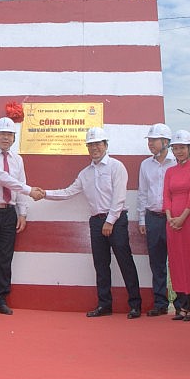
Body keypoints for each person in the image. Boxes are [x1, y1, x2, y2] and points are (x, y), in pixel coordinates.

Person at [44, 127, 142, 319]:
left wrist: (110, 221)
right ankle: (104, 304)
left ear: (106, 145)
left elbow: (119, 197)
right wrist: (44, 194)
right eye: (90, 144)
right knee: (100, 265)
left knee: (125, 262)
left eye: (98, 143)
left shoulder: (116, 167)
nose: (94, 147)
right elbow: (68, 192)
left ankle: (135, 305)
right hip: (96, 222)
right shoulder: (85, 173)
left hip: (116, 220)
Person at [0, 117, 42, 315]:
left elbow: (18, 186)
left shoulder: (17, 159)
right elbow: (4, 179)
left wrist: (22, 212)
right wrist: (30, 190)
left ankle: (0, 299)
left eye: (9, 134)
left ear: (14, 138)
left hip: (8, 213)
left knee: (5, 258)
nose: (6, 137)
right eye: (2, 134)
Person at [163, 130, 190, 321]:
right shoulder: (170, 171)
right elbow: (166, 196)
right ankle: (181, 303)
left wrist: (182, 217)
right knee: (177, 261)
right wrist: (169, 216)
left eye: (182, 147)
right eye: (176, 148)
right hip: (172, 222)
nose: (179, 151)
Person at [137, 123, 176, 317]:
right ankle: (160, 302)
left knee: (177, 261)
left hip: (174, 219)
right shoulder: (145, 165)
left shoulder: (176, 162)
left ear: (166, 142)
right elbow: (142, 193)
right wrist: (142, 219)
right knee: (157, 263)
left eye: (154, 140)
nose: (150, 144)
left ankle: (183, 303)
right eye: (149, 140)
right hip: (153, 218)